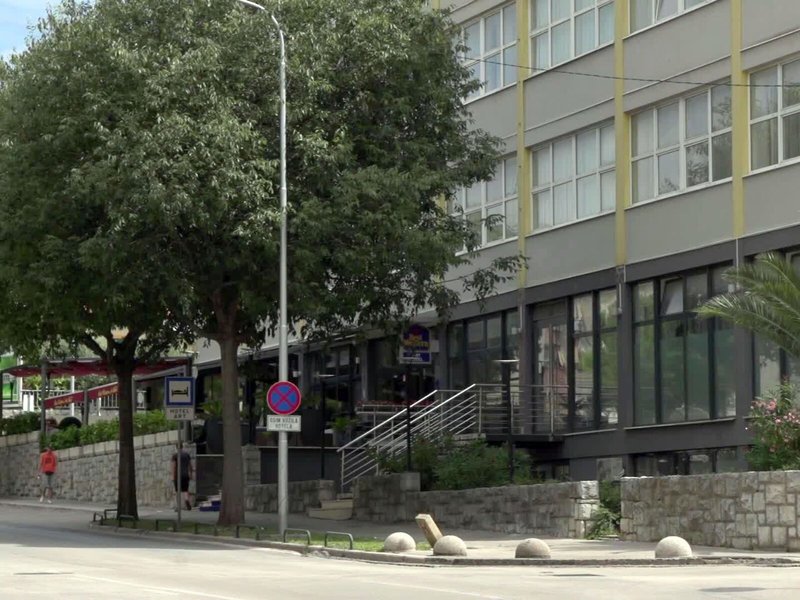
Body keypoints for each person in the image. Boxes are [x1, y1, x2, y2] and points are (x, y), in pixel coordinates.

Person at [170, 443, 194, 511]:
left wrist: (173, 476)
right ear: (182, 447)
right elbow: (190, 466)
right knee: (185, 490)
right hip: (186, 475)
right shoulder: (187, 455)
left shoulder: (175, 456)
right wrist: (191, 474)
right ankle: (186, 500)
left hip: (178, 476)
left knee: (177, 491)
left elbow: (174, 467)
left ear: (176, 447)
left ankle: (178, 507)